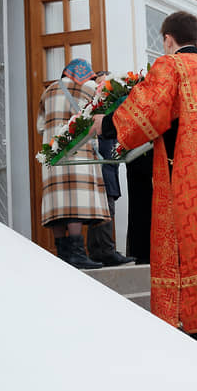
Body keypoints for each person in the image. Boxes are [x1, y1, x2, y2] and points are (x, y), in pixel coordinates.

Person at [92, 11, 197, 360]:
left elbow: (149, 112)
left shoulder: (171, 67)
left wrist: (105, 125)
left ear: (167, 39)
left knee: (187, 263)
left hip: (186, 184)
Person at [37, 58, 110, 269]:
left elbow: (40, 126)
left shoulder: (48, 91)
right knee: (75, 203)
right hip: (80, 154)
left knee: (58, 203)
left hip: (54, 154)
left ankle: (63, 255)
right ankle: (78, 254)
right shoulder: (90, 91)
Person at [86, 71, 134, 267]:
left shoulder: (112, 104)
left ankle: (102, 250)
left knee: (107, 203)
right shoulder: (94, 104)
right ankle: (103, 250)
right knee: (103, 205)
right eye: (102, 81)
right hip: (99, 159)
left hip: (109, 158)